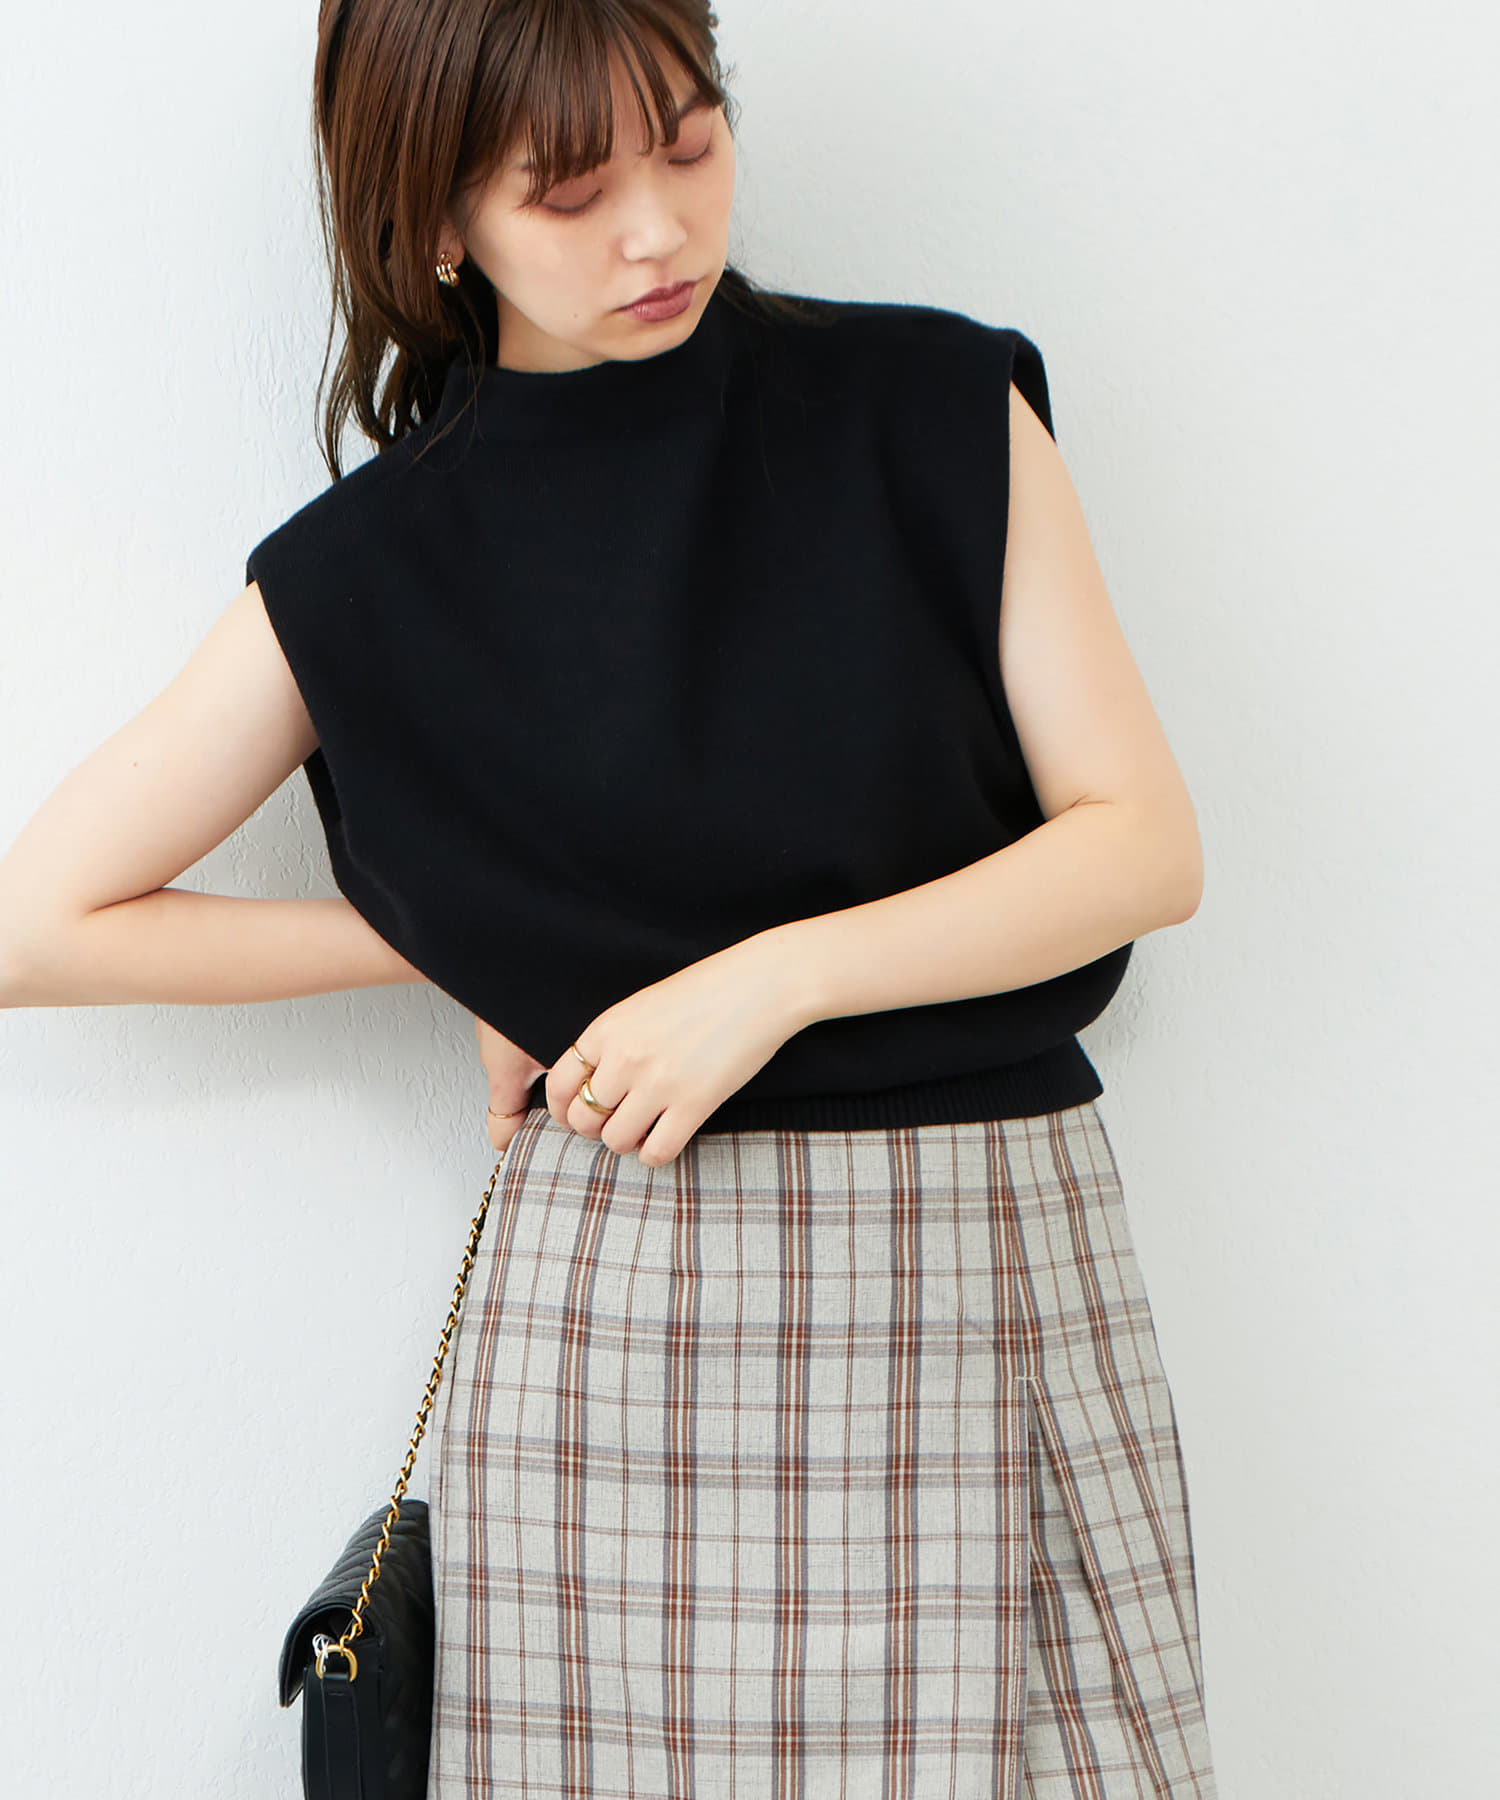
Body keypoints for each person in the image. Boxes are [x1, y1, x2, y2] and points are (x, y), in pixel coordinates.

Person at [0, 1, 1219, 1794]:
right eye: (568, 192)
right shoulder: (370, 565)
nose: (658, 231)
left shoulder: (936, 407)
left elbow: (1140, 845)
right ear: (436, 218)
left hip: (978, 1263)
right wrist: (455, 958)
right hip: (628, 1310)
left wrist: (766, 982)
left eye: (691, 143)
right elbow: (39, 926)